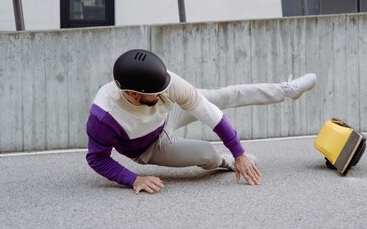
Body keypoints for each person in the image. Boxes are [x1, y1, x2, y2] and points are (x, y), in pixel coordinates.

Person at [86, 49, 316, 194]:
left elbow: (210, 113)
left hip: (168, 115)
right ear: (133, 94)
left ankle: (285, 90)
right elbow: (97, 158)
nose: (165, 92)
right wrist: (133, 179)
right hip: (149, 147)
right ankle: (226, 163)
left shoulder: (165, 83)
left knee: (225, 95)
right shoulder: (104, 117)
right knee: (207, 154)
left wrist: (240, 152)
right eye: (157, 92)